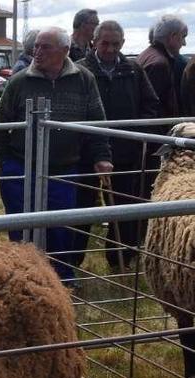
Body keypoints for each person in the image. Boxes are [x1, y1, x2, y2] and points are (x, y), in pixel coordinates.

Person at [0, 27, 112, 282]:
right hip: (21, 166)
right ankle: (22, 279)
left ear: (64, 51)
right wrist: (5, 164)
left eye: (45, 47)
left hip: (63, 167)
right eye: (36, 46)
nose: (37, 52)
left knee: (60, 228)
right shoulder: (20, 81)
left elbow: (96, 121)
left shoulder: (83, 79)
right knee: (21, 228)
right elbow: (0, 124)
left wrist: (103, 156)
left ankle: (60, 280)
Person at [73, 20, 160, 272]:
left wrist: (136, 131)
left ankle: (119, 259)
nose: (111, 49)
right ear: (94, 42)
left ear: (122, 43)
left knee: (123, 208)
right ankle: (72, 260)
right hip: (86, 154)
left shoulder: (133, 70)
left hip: (124, 153)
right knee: (82, 209)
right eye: (105, 43)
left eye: (116, 44)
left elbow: (151, 104)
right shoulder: (80, 70)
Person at [139, 15, 187, 119]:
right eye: (183, 36)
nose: (184, 43)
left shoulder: (146, 55)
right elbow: (153, 106)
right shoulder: (160, 64)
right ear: (173, 37)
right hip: (157, 130)